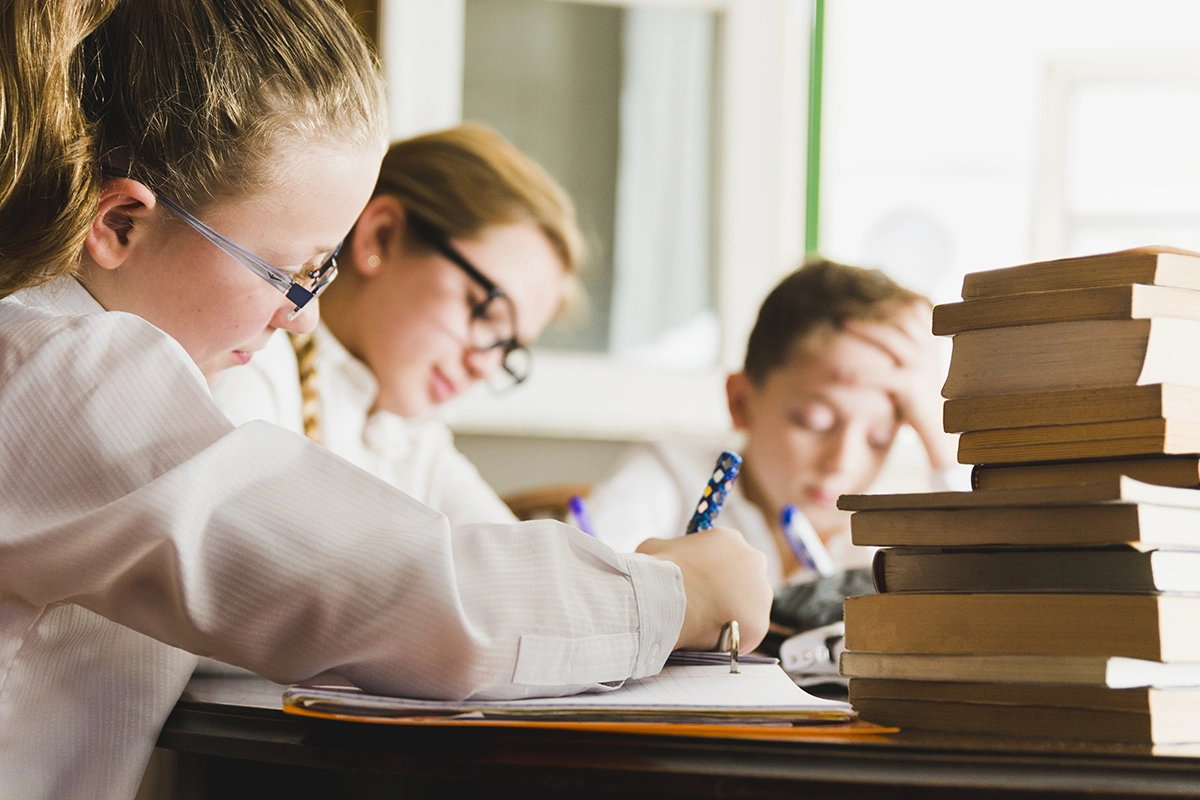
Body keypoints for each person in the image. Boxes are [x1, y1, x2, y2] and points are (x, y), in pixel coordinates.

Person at [0, 2, 772, 796]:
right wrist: (670, 598)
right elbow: (387, 590)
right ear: (120, 221)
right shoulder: (52, 367)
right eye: (286, 272)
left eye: (316, 275)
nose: (297, 313)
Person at [211, 124, 583, 526]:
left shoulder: (411, 438)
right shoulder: (250, 362)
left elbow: (518, 562)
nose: (485, 366)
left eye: (507, 348)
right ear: (382, 237)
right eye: (484, 312)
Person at [587, 258, 970, 588]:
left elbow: (986, 602)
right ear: (741, 401)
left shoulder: (889, 545)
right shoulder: (673, 473)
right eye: (814, 422)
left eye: (878, 438)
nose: (843, 462)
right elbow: (584, 584)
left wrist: (942, 442)